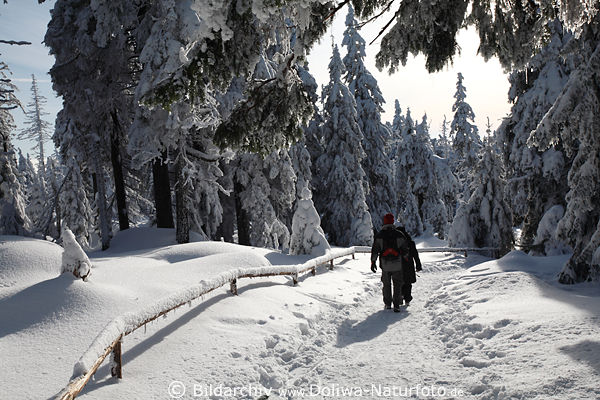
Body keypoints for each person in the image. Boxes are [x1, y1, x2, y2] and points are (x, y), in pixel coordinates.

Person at [370, 213, 410, 312]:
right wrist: (405, 258)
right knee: (397, 284)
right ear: (392, 222)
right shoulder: (399, 234)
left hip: (385, 264)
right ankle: (396, 305)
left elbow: (375, 250)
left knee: (386, 284)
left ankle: (388, 304)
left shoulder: (380, 235)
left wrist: (373, 262)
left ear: (384, 222)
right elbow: (405, 250)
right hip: (397, 264)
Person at [395, 225, 422, 306]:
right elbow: (415, 255)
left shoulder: (395, 242)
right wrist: (418, 265)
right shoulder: (410, 242)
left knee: (399, 282)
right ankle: (407, 299)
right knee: (408, 282)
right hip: (409, 265)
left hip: (397, 264)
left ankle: (400, 297)